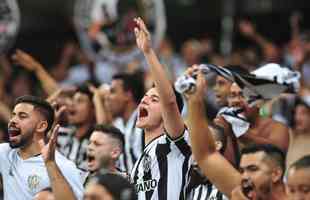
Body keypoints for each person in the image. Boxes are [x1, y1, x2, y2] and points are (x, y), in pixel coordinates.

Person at [186, 71, 287, 199]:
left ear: (259, 102)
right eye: (232, 95)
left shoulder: (277, 127)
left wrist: (242, 133)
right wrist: (194, 99)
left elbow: (278, 153)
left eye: (242, 96)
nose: (236, 101)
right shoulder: (224, 124)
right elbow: (207, 154)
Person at [130, 17, 191, 200]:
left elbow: (170, 102)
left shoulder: (174, 144)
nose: (145, 101)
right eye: (144, 97)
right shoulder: (138, 163)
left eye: (154, 99)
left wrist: (148, 52)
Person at [2, 95, 83, 199]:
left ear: (41, 126)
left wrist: (50, 164)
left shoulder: (64, 166)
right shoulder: (5, 153)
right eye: (13, 115)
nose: (13, 120)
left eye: (22, 116)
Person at [106, 72, 145, 172]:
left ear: (128, 95)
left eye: (113, 92)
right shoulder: (117, 124)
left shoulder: (146, 120)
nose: (107, 97)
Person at [286, 97, 310, 168]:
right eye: (295, 113)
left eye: (303, 113)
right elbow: (265, 112)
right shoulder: (294, 135)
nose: (298, 117)